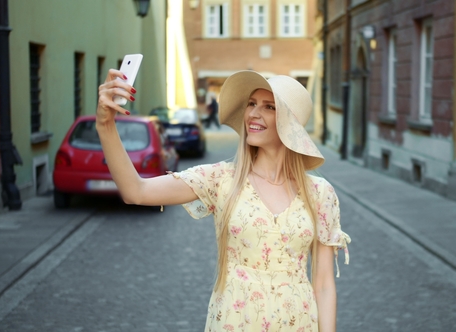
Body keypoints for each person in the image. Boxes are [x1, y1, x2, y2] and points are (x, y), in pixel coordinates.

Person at [96, 69, 350, 331]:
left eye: (268, 107)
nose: (252, 113)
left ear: (290, 124)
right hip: (234, 321)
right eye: (251, 104)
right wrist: (105, 124)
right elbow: (136, 191)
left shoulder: (320, 193)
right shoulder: (221, 179)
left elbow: (323, 284)